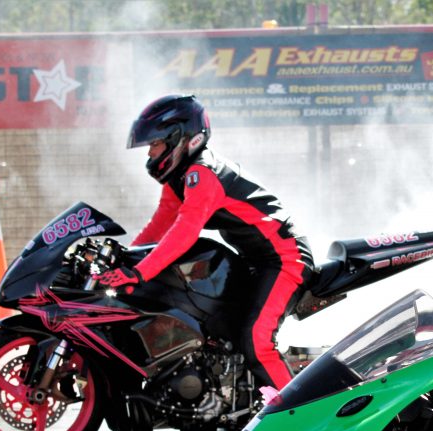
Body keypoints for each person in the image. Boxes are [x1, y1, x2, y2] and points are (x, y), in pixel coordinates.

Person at [95, 94, 314, 390]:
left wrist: (138, 272)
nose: (150, 154)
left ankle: (299, 420)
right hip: (255, 263)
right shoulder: (181, 176)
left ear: (181, 139)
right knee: (221, 336)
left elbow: (185, 232)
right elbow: (161, 224)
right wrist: (127, 258)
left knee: (255, 340)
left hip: (285, 260)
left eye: (155, 145)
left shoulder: (202, 174)